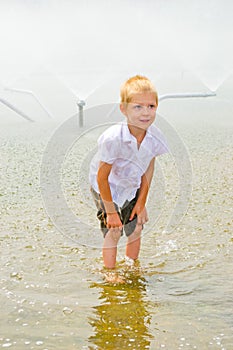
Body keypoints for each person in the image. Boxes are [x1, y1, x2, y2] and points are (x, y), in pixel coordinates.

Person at [89, 75, 169, 270]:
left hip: (131, 184)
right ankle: (110, 272)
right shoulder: (113, 138)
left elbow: (148, 168)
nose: (145, 113)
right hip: (106, 186)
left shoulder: (155, 137)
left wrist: (141, 203)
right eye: (138, 107)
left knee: (136, 226)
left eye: (151, 106)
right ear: (123, 109)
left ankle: (132, 267)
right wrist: (111, 211)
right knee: (114, 229)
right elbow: (102, 176)